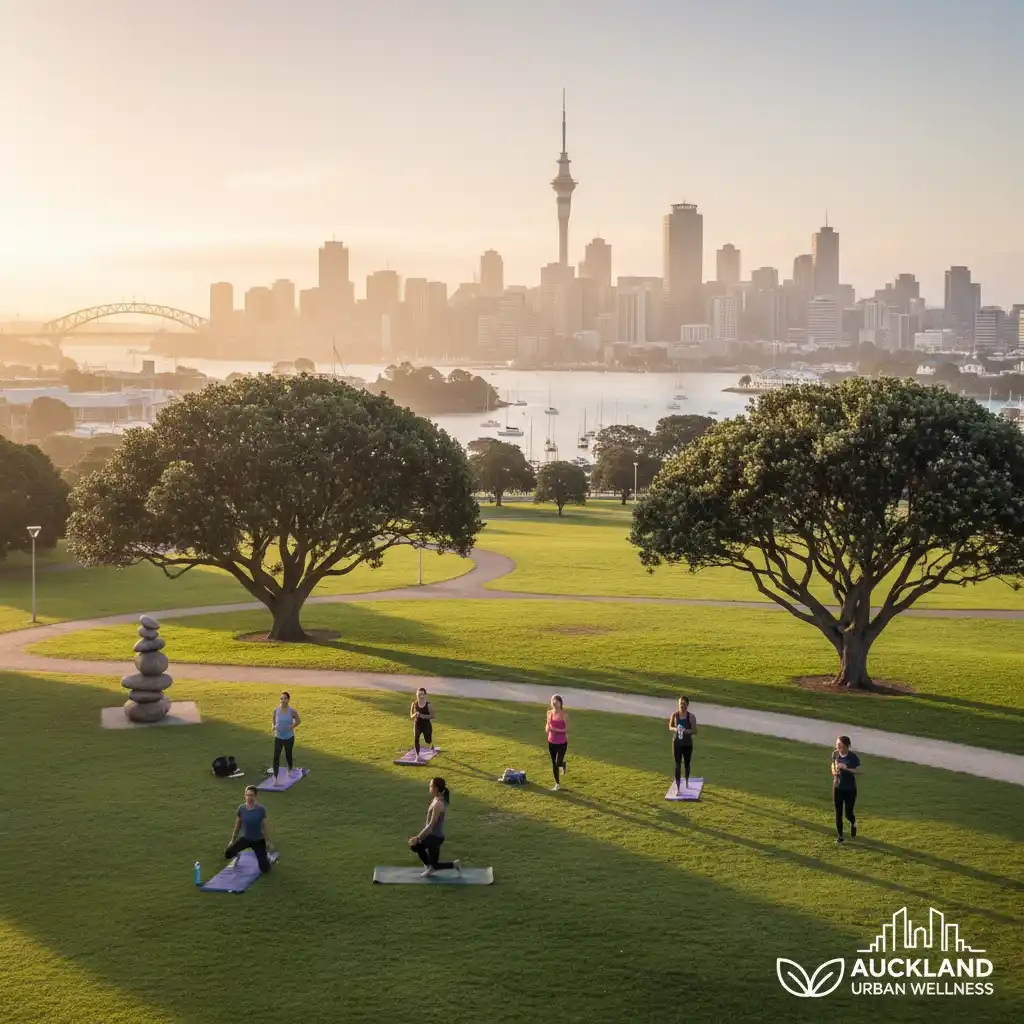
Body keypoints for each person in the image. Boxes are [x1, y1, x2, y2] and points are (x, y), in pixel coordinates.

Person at [408, 776, 461, 877]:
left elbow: (431, 824)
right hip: (433, 835)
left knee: (415, 845)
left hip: (435, 837)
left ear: (436, 788)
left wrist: (418, 838)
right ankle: (454, 865)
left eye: (431, 785)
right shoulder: (436, 799)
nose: (429, 787)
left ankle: (429, 867)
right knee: (434, 864)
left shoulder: (438, 804)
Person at [225, 785, 275, 873]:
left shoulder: (261, 809)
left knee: (265, 869)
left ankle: (266, 856)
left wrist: (268, 841)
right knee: (228, 854)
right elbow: (237, 826)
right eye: (247, 795)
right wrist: (232, 840)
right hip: (246, 838)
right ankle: (238, 855)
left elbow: (264, 827)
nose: (248, 797)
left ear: (255, 796)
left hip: (258, 840)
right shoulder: (241, 809)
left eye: (251, 795)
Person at [831, 735, 862, 844]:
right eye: (837, 744)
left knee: (848, 813)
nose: (837, 746)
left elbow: (859, 771)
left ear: (846, 746)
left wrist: (846, 768)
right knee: (838, 813)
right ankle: (840, 836)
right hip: (837, 788)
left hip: (850, 789)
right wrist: (834, 772)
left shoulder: (853, 757)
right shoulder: (835, 754)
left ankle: (853, 823)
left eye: (840, 745)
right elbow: (833, 765)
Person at [668, 696, 698, 793]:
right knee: (677, 765)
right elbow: (670, 726)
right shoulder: (674, 715)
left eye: (683, 704)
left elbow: (695, 730)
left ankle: (687, 782)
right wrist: (675, 729)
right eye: (680, 703)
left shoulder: (691, 717)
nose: (681, 705)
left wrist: (685, 731)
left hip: (687, 744)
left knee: (687, 764)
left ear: (687, 705)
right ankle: (678, 788)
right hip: (677, 743)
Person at [272, 691, 301, 786]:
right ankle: (276, 778)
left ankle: (290, 769)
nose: (283, 700)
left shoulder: (292, 711)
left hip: (289, 737)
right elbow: (273, 721)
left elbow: (298, 721)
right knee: (276, 757)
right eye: (281, 698)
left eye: (285, 698)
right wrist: (273, 726)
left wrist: (292, 726)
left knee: (288, 755)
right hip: (278, 737)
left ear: (288, 700)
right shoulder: (276, 710)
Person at [546, 695, 569, 791]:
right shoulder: (549, 713)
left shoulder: (564, 715)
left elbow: (566, 729)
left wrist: (555, 729)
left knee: (558, 762)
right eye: (553, 702)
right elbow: (547, 726)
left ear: (560, 703)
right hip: (551, 741)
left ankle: (563, 764)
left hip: (562, 742)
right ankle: (557, 784)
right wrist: (547, 729)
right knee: (554, 763)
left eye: (556, 702)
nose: (555, 704)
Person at [409, 687, 436, 762]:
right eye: (419, 694)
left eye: (422, 694)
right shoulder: (414, 704)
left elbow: (433, 716)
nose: (421, 696)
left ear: (425, 695)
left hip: (426, 725)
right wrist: (415, 714)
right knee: (416, 738)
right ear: (416, 694)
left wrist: (422, 716)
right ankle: (417, 756)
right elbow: (411, 716)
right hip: (417, 724)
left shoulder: (429, 705)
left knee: (428, 740)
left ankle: (431, 744)